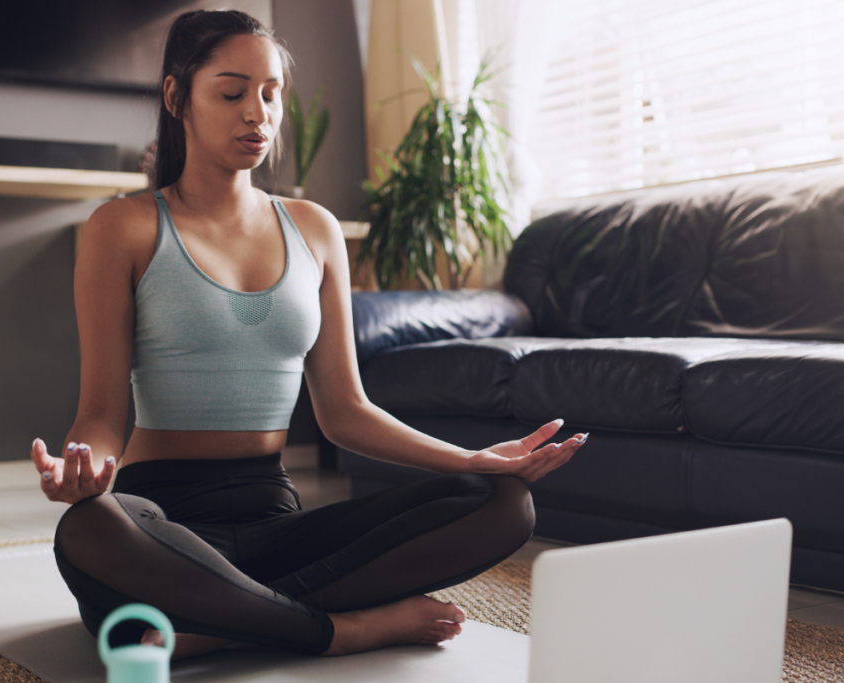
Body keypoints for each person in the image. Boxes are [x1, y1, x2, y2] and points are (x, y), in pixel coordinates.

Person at [29, 8, 586, 660]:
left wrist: (472, 459)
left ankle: (216, 621)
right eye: (232, 92)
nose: (257, 113)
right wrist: (87, 469)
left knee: (504, 503)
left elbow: (346, 412)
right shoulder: (121, 228)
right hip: (164, 520)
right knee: (91, 528)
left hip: (277, 520)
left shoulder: (314, 230)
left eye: (271, 94)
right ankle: (341, 626)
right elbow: (99, 414)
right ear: (177, 96)